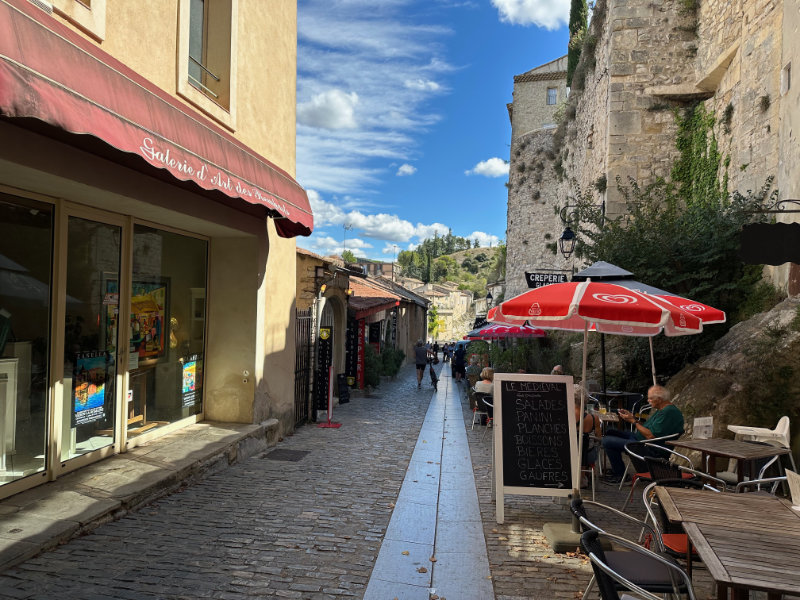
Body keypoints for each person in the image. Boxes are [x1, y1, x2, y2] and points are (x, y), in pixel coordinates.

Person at [600, 385, 684, 483]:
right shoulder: (662, 410)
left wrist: (633, 422)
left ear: (659, 399)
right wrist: (631, 418)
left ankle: (619, 474)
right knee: (609, 432)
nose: (648, 400)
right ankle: (616, 470)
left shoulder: (668, 412)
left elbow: (651, 435)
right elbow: (647, 428)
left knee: (607, 441)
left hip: (648, 447)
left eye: (650, 398)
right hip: (640, 439)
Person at [575, 392, 602, 468]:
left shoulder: (565, 416)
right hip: (588, 455)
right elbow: (599, 438)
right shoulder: (594, 418)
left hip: (568, 453)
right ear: (586, 401)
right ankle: (585, 474)